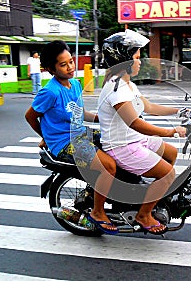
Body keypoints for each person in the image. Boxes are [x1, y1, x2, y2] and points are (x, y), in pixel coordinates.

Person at [98, 29, 187, 235]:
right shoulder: (116, 88)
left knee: (171, 153)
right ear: (124, 60)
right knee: (168, 174)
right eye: (137, 57)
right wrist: (171, 131)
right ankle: (143, 215)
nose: (140, 62)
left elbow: (148, 107)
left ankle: (150, 195)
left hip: (135, 140)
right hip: (122, 146)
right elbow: (135, 123)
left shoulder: (127, 84)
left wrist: (180, 110)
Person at [25, 40, 118, 235]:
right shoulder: (49, 92)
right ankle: (98, 212)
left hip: (80, 133)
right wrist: (46, 137)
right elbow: (30, 116)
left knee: (118, 141)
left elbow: (79, 112)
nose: (70, 67)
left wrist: (106, 119)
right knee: (108, 166)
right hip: (65, 142)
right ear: (51, 69)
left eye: (71, 61)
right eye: (63, 64)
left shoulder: (75, 84)